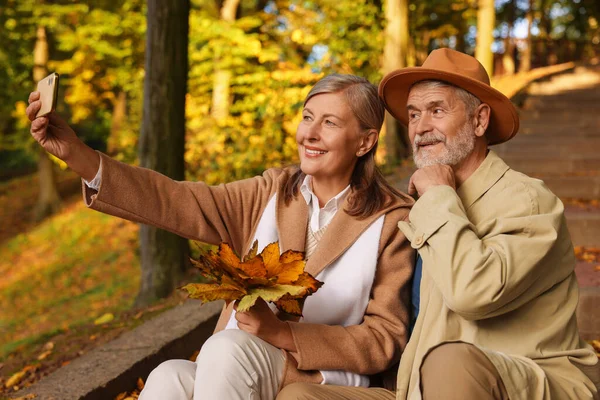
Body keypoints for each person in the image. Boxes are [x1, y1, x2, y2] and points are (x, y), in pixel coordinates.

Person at [25, 74, 416, 399]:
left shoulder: (390, 219)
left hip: (324, 378)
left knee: (227, 348)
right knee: (169, 378)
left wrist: (283, 333)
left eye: (329, 123)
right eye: (307, 117)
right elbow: (173, 200)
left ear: (365, 142)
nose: (309, 134)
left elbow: (384, 338)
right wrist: (76, 154)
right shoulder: (271, 192)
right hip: (237, 362)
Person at [275, 49, 600, 400]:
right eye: (414, 114)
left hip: (526, 382)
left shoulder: (527, 200)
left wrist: (439, 196)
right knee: (299, 396)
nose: (420, 127)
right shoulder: (417, 208)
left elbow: (473, 293)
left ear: (480, 121)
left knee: (449, 360)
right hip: (417, 388)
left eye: (437, 110)